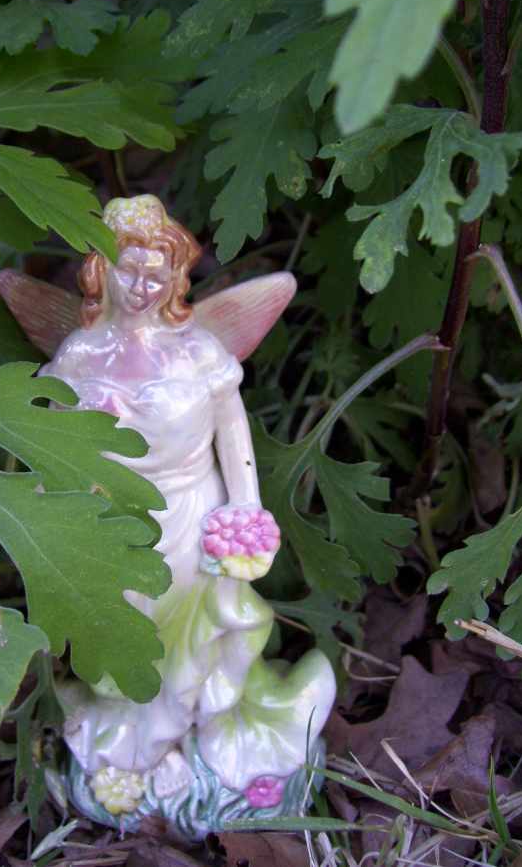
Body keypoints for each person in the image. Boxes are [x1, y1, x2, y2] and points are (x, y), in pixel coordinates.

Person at [39, 195, 335, 834]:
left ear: (177, 278)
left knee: (197, 637)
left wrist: (246, 506)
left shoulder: (198, 352)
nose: (143, 285)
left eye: (159, 272)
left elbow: (233, 430)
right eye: (129, 269)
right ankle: (133, 740)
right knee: (122, 638)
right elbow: (48, 441)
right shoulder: (78, 358)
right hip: (109, 523)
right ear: (100, 270)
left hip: (190, 513)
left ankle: (171, 741)